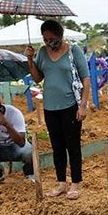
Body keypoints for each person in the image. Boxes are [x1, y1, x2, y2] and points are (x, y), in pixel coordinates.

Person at [24, 20, 90, 200]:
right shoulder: (42, 53)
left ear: (60, 35)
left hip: (70, 106)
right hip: (50, 107)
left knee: (72, 146)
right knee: (57, 147)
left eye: (52, 39)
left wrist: (83, 105)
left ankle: (75, 183)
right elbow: (37, 78)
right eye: (45, 39)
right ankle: (61, 182)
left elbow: (85, 79)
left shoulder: (73, 51)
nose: (48, 42)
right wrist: (30, 59)